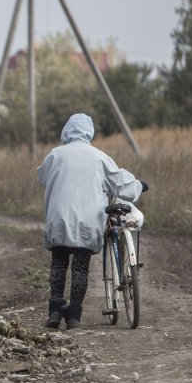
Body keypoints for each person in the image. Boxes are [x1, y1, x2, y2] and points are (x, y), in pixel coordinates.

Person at [37, 113, 147, 330]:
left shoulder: (55, 155)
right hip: (87, 222)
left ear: (66, 131)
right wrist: (138, 185)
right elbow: (121, 184)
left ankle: (55, 312)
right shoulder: (100, 157)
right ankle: (74, 317)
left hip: (59, 219)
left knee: (59, 263)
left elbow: (42, 177)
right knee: (80, 267)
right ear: (89, 132)